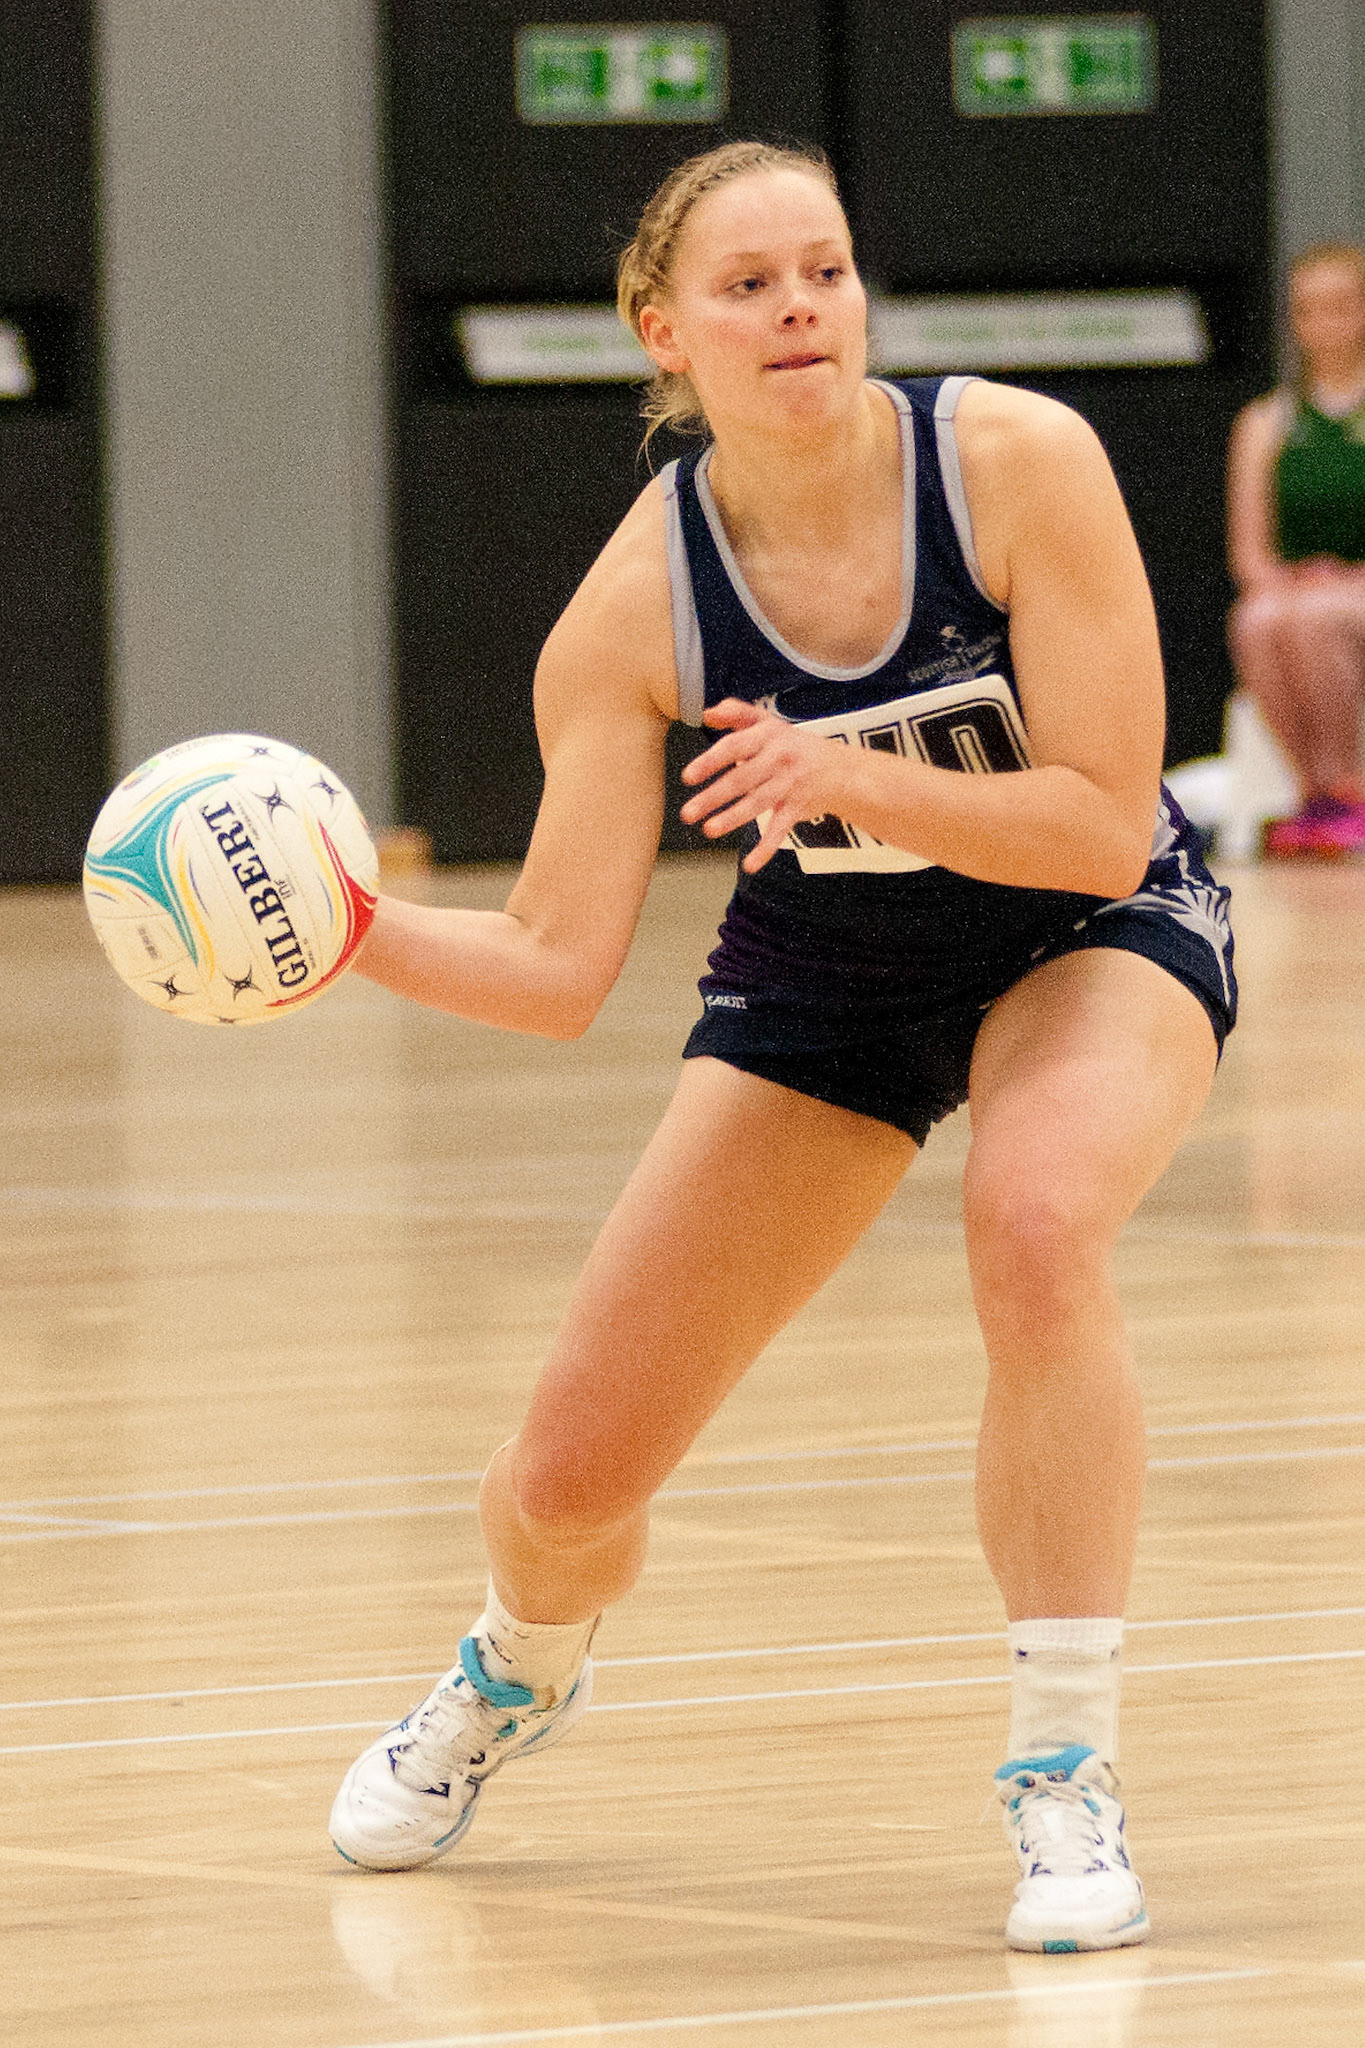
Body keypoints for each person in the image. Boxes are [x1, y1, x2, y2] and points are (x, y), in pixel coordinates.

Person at [328, 141, 1235, 1953]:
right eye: (748, 285)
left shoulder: (1014, 464)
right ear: (662, 331)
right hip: (831, 976)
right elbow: (554, 965)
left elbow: (1097, 823)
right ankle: (517, 1662)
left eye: (824, 268)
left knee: (1035, 1222)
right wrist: (338, 938)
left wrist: (845, 769)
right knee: (565, 1484)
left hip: (1086, 930)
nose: (801, 308)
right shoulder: (632, 608)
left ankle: (1062, 1767)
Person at [1227, 241, 1365, 855]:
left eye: (1341, 306)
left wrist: (1344, 577)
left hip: (1352, 589)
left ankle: (1349, 787)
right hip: (1301, 589)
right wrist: (1283, 580)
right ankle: (1314, 795)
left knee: (1318, 617)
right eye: (1308, 309)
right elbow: (1250, 553)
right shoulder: (1267, 423)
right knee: (1257, 621)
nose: (1325, 324)